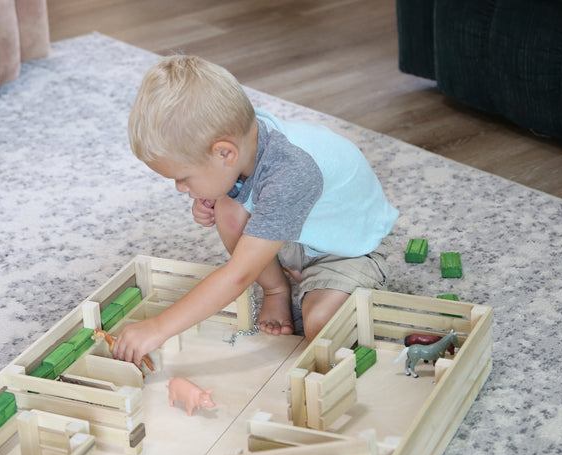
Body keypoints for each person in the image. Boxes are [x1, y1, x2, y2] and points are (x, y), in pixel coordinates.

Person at [112, 55, 399, 366]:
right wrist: (209, 194)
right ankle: (276, 290)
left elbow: (238, 276)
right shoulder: (246, 141)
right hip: (305, 234)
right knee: (227, 208)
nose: (180, 187)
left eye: (184, 178)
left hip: (349, 250)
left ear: (225, 152)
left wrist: (159, 327)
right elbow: (239, 188)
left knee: (320, 324)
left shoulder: (291, 172)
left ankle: (311, 283)